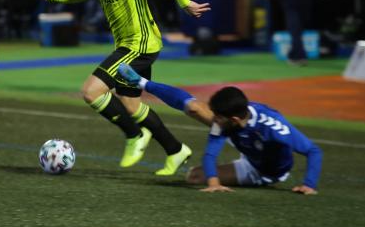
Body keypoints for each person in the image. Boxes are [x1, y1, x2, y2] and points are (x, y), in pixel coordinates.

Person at [23, 0, 210, 174]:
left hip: (140, 44)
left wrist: (184, 1)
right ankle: (176, 151)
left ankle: (134, 135)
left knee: (91, 92)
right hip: (128, 45)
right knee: (131, 105)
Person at [117, 63, 323, 194]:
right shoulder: (226, 121)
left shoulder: (274, 127)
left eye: (219, 117)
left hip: (262, 171)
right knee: (195, 108)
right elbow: (210, 154)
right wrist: (214, 183)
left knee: (193, 177)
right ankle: (142, 82)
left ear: (233, 118)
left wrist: (309, 184)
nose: (214, 119)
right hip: (243, 139)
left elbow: (313, 150)